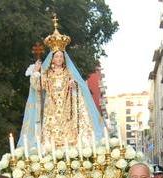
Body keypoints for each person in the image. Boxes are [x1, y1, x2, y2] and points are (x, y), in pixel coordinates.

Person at [21, 15, 105, 149]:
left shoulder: (68, 72)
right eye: (56, 56)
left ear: (64, 58)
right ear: (52, 59)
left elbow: (79, 86)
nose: (59, 58)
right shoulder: (47, 73)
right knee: (51, 137)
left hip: (67, 108)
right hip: (51, 108)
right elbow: (38, 86)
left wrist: (74, 85)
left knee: (69, 134)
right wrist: (36, 72)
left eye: (61, 56)